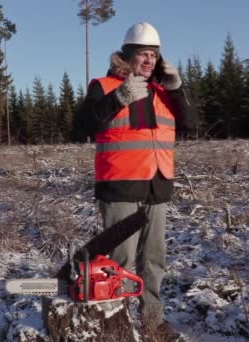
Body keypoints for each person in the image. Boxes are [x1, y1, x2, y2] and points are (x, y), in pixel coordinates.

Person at [77, 22, 196, 331]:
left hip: (157, 186)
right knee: (120, 263)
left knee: (154, 261)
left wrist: (178, 88)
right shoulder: (103, 86)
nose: (148, 61)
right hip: (120, 187)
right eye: (142, 54)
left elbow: (191, 123)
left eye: (153, 56)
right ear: (127, 56)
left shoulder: (163, 90)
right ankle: (119, 324)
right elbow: (82, 126)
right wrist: (119, 98)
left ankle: (153, 323)